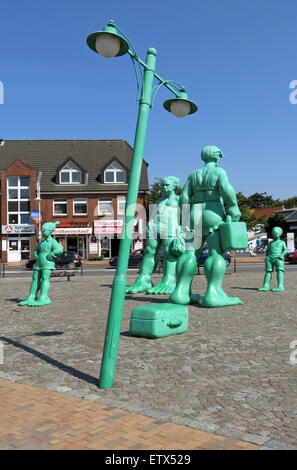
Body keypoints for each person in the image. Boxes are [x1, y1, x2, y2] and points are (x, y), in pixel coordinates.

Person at [169, 145, 243, 307]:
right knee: (216, 254)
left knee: (188, 254)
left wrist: (186, 220)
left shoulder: (194, 175)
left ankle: (181, 292)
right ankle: (213, 293)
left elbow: (184, 198)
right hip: (213, 211)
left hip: (195, 212)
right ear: (216, 157)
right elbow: (225, 189)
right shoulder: (219, 172)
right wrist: (233, 208)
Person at [126, 176, 180, 295]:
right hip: (154, 226)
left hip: (170, 227)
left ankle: (169, 281)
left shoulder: (179, 200)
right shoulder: (158, 201)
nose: (164, 187)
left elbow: (186, 217)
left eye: (167, 185)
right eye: (163, 185)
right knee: (149, 251)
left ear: (174, 186)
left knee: (169, 252)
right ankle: (144, 279)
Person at [18, 221, 63, 306]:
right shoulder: (41, 243)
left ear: (50, 231)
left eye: (44, 230)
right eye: (42, 230)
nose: (42, 231)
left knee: (45, 278)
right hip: (39, 263)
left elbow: (60, 250)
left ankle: (44, 297)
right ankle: (31, 296)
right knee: (35, 278)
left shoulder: (52, 241)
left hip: (47, 263)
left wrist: (52, 255)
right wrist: (35, 254)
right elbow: (35, 250)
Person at [258, 226, 287, 292]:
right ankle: (266, 285)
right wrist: (267, 257)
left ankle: (280, 285)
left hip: (278, 259)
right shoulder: (270, 243)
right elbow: (267, 250)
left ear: (280, 233)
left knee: (280, 271)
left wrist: (281, 255)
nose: (274, 234)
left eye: (276, 233)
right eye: (273, 233)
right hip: (270, 259)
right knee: (268, 272)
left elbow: (285, 250)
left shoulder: (282, 242)